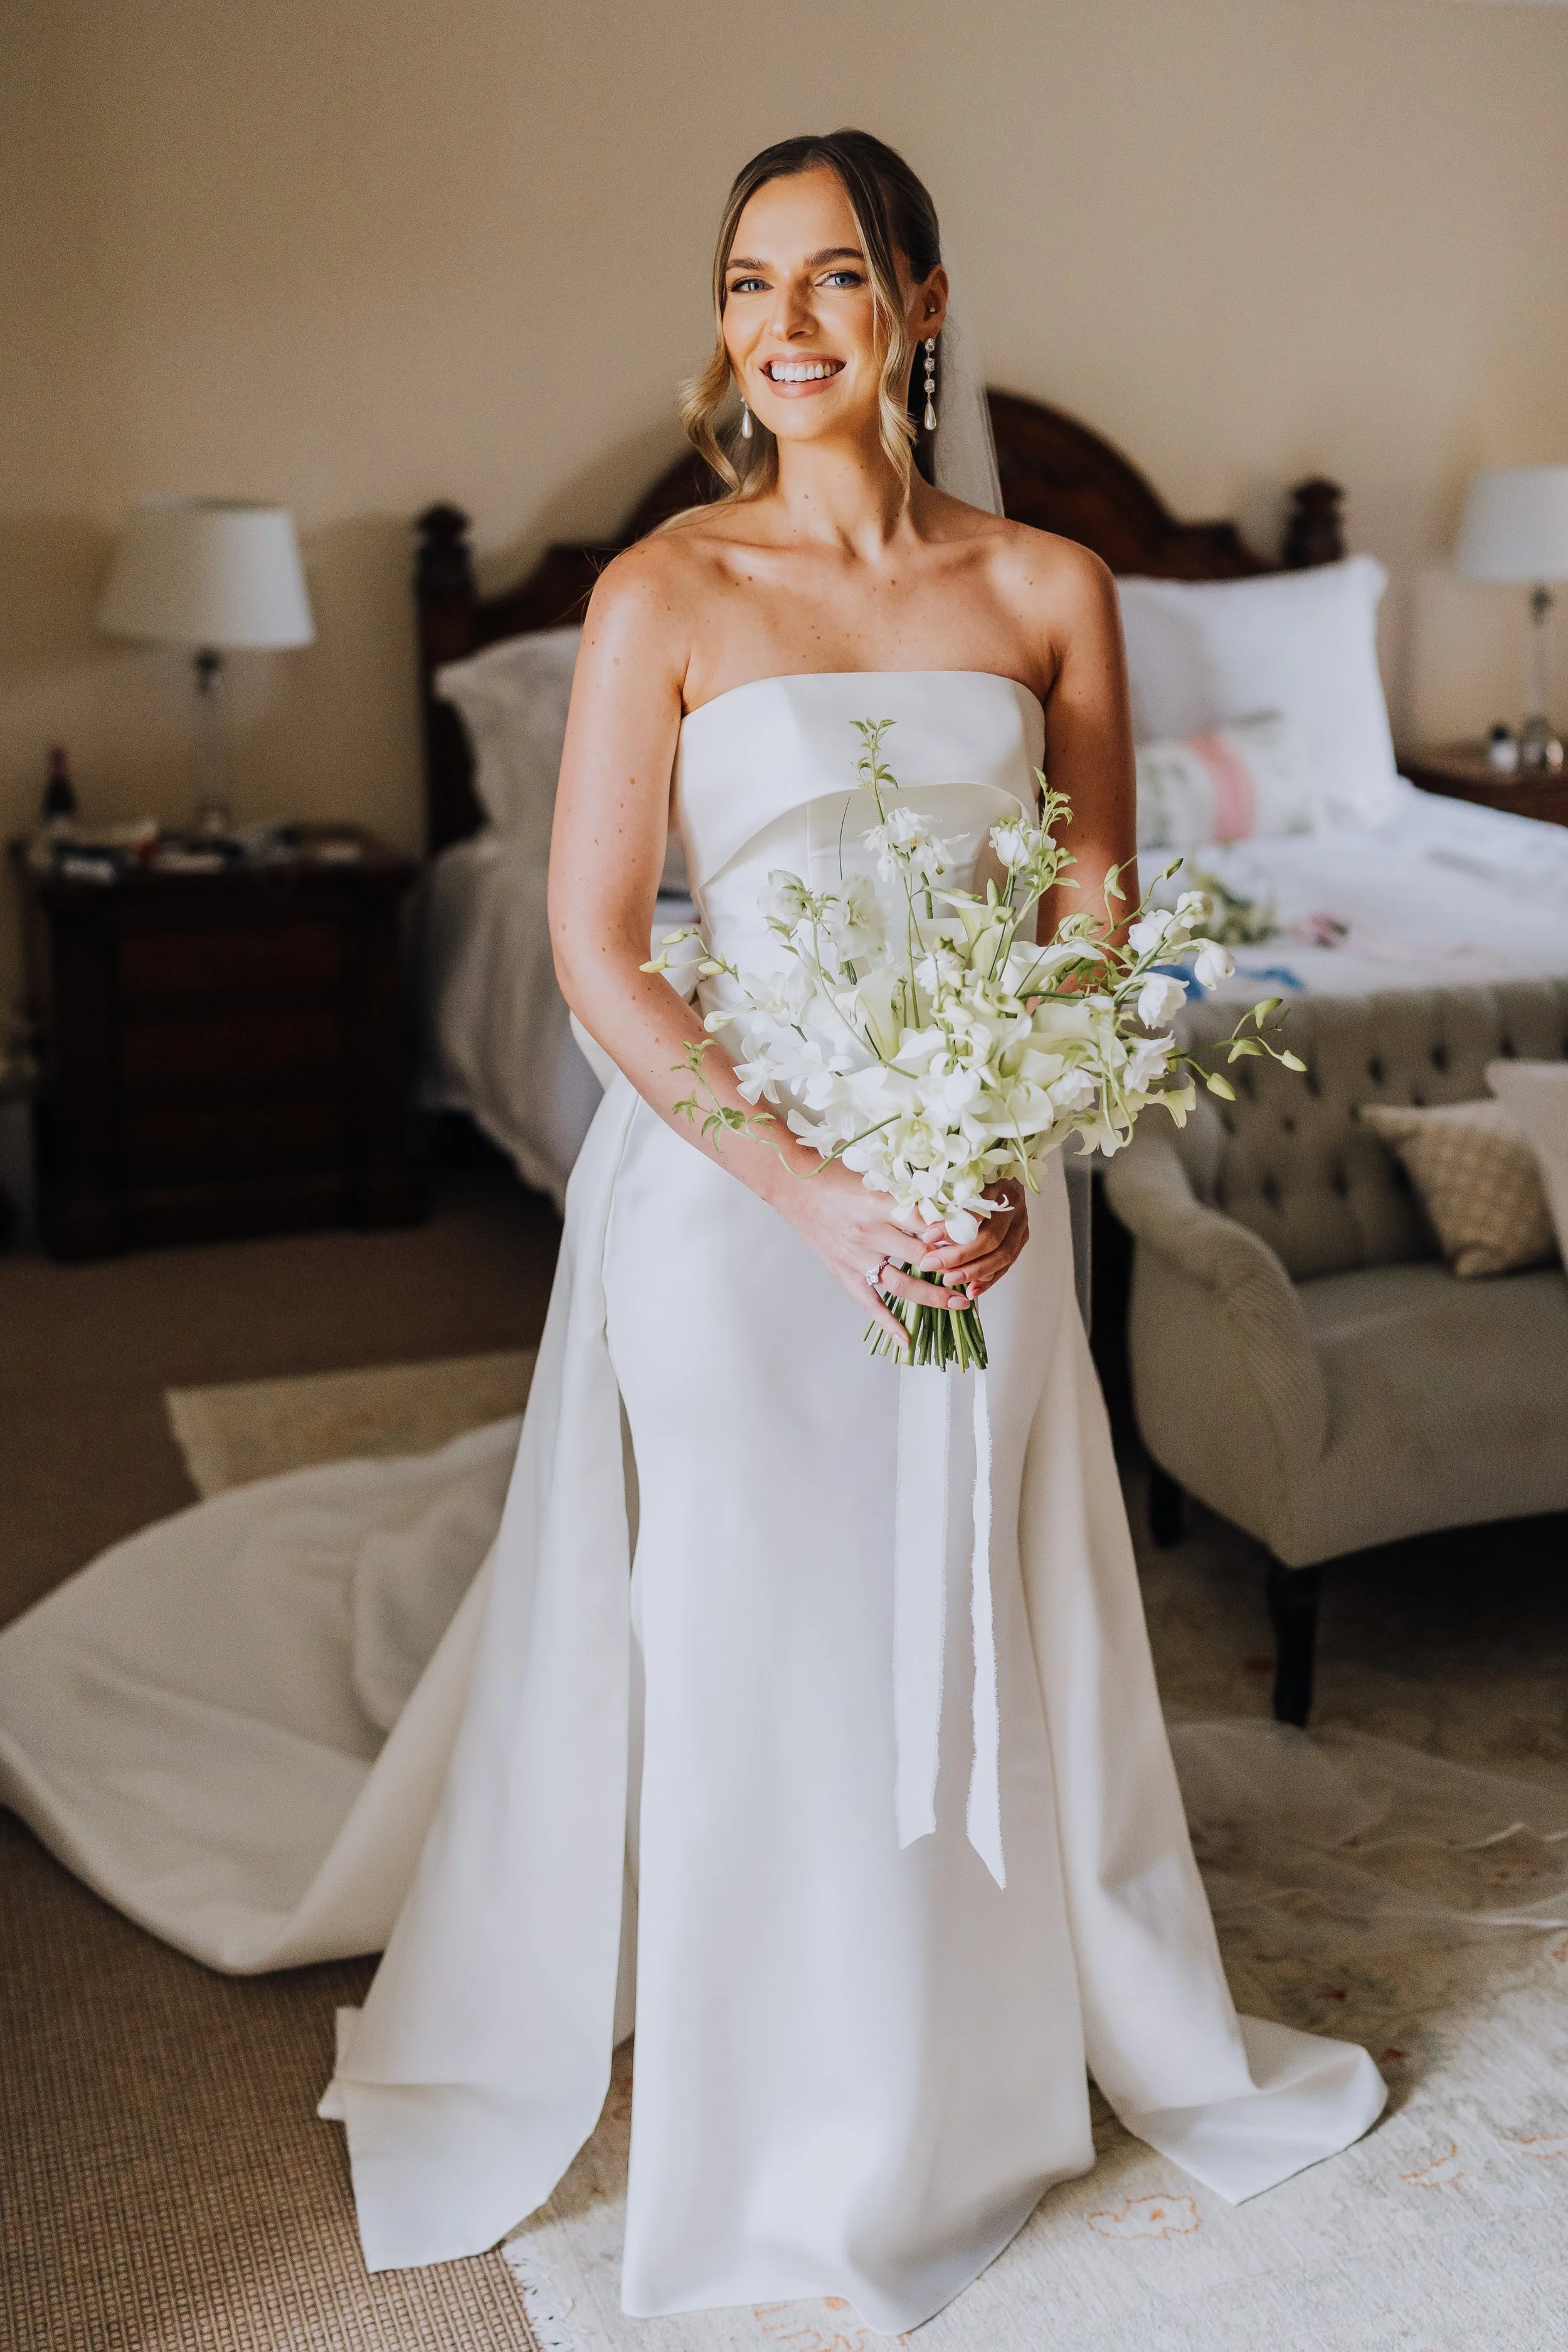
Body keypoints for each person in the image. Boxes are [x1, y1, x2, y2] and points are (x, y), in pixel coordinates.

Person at [0, 127, 1385, 2337]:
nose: (788, 325)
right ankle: (797, 2126)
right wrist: (819, 1185)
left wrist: (997, 1134)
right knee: (765, 1616)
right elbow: (597, 955)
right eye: (751, 285)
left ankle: (977, 2049)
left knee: (971, 1592)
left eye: (836, 279)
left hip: (982, 1182)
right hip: (740, 1190)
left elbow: (1092, 911)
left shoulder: (1048, 590)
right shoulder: (661, 593)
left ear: (923, 304)